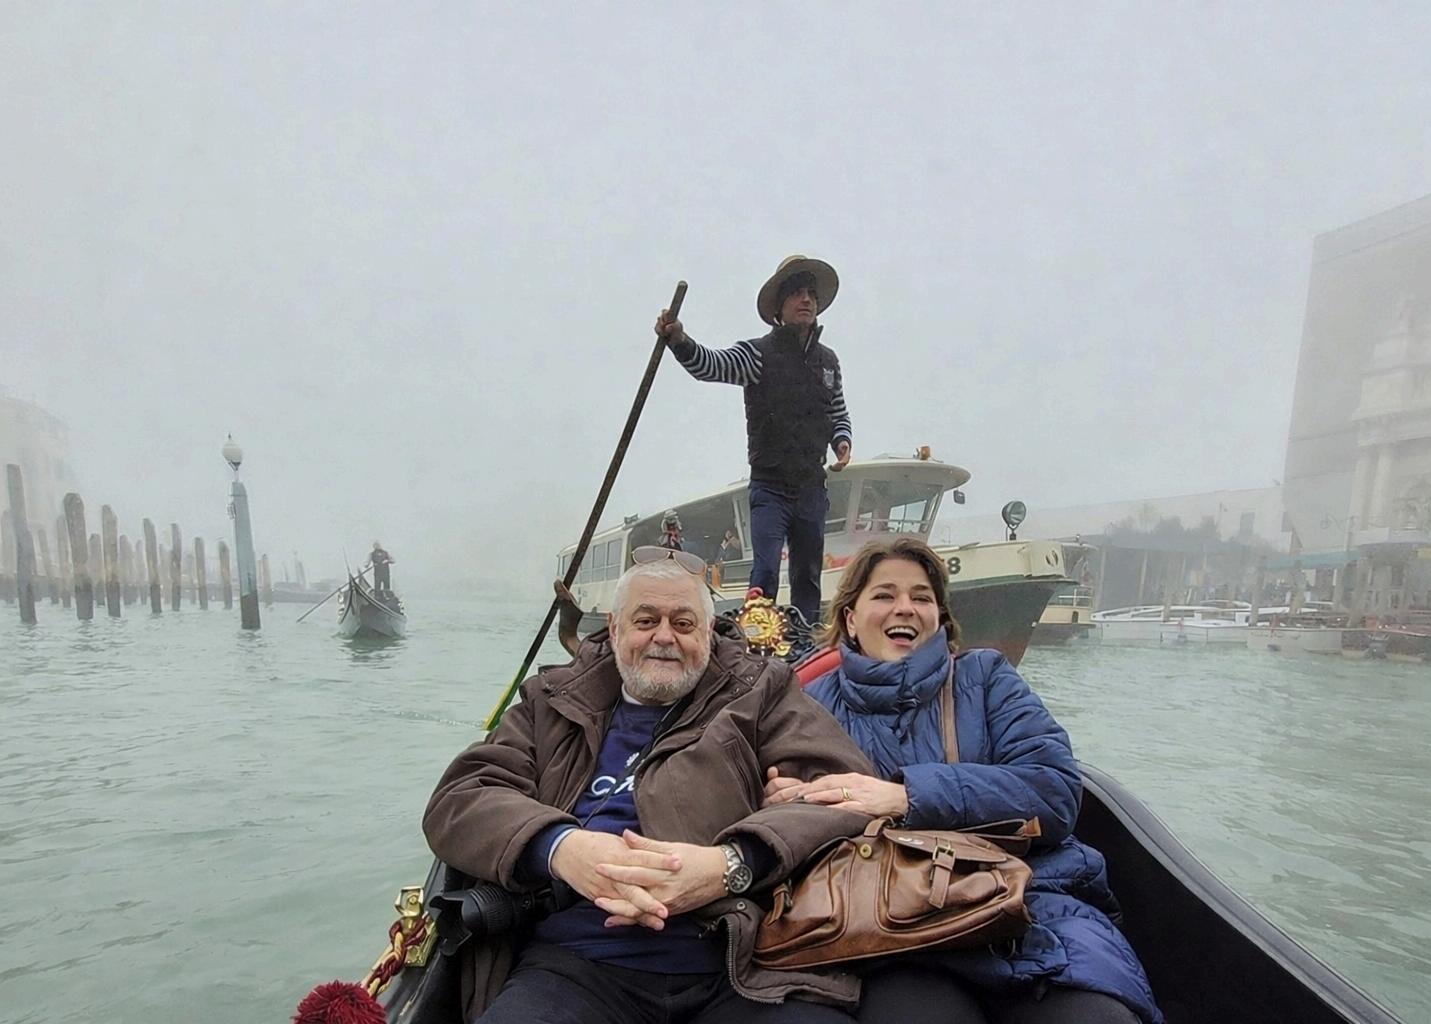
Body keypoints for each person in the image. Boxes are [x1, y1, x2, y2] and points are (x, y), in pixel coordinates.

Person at [422, 549, 878, 1024]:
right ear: (615, 629)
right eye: (646, 621)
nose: (664, 636)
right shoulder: (550, 702)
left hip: (740, 960)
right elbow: (462, 796)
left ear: (708, 632)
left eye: (683, 624)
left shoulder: (761, 693)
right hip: (575, 966)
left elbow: (848, 793)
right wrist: (563, 849)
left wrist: (729, 865)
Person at [765, 538, 1162, 1024]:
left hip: (1030, 897)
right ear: (850, 618)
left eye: (922, 597)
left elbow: (1054, 792)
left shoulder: (988, 678)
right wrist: (788, 803)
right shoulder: (810, 706)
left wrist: (906, 796)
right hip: (888, 921)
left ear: (938, 617)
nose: (905, 607)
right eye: (885, 594)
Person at [657, 255, 852, 627]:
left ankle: (806, 638)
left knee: (808, 575)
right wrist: (679, 340)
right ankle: (754, 640)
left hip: (812, 486)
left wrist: (841, 441)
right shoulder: (756, 355)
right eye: (796, 294)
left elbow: (837, 412)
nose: (806, 300)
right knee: (765, 571)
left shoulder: (828, 362)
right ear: (779, 307)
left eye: (811, 294)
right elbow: (709, 365)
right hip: (770, 487)